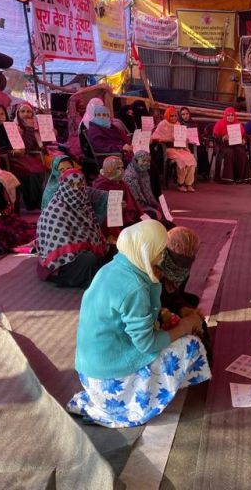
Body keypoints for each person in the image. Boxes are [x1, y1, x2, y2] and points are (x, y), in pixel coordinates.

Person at [67, 220, 210, 428]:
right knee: (191, 344)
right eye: (161, 251)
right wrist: (185, 326)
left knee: (175, 329)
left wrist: (167, 317)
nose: (162, 258)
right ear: (145, 249)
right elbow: (147, 345)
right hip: (110, 383)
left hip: (91, 375)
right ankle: (135, 400)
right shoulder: (134, 287)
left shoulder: (116, 267)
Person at [36, 168, 105, 288]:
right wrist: (87, 248)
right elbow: (61, 245)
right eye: (71, 184)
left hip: (82, 250)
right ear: (63, 186)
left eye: (80, 184)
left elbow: (92, 231)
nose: (76, 188)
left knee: (111, 252)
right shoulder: (55, 211)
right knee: (89, 259)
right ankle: (77, 279)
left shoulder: (83, 205)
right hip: (62, 263)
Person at [158, 226, 211, 358]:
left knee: (197, 319)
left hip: (166, 310)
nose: (184, 264)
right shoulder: (152, 273)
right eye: (180, 257)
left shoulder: (181, 272)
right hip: (151, 319)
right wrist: (162, 315)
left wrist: (182, 308)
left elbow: (175, 296)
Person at [91, 156, 145, 242]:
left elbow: (133, 203)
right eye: (117, 168)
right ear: (108, 169)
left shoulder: (122, 184)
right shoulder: (100, 186)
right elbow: (100, 212)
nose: (121, 171)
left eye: (122, 167)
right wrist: (117, 209)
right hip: (112, 224)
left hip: (128, 217)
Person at [151, 106, 197, 192]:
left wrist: (185, 140)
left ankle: (189, 183)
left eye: (175, 116)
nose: (174, 118)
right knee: (182, 160)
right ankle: (180, 183)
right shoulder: (162, 124)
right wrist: (168, 139)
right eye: (171, 116)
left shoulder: (178, 124)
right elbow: (155, 138)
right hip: (168, 149)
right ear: (167, 115)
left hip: (180, 148)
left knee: (191, 158)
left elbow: (182, 137)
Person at [213, 107, 251, 184]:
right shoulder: (220, 123)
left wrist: (244, 140)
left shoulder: (238, 123)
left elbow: (244, 135)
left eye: (232, 115)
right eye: (228, 115)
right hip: (224, 145)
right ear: (225, 116)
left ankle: (241, 178)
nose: (230, 117)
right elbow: (215, 137)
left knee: (241, 152)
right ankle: (228, 178)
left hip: (236, 144)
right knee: (229, 153)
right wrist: (223, 138)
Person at [124, 151, 164, 219]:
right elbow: (135, 200)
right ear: (136, 161)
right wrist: (152, 208)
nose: (146, 163)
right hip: (135, 207)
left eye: (148, 161)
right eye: (143, 160)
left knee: (162, 212)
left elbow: (149, 193)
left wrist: (156, 205)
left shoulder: (144, 172)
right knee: (156, 215)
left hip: (146, 204)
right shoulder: (130, 177)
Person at [178, 107, 211, 180]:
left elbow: (198, 136)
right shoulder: (179, 125)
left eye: (187, 114)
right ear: (180, 116)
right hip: (184, 146)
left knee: (202, 152)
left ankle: (203, 173)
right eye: (183, 114)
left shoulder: (194, 123)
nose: (185, 116)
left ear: (189, 114)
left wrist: (197, 139)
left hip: (195, 144)